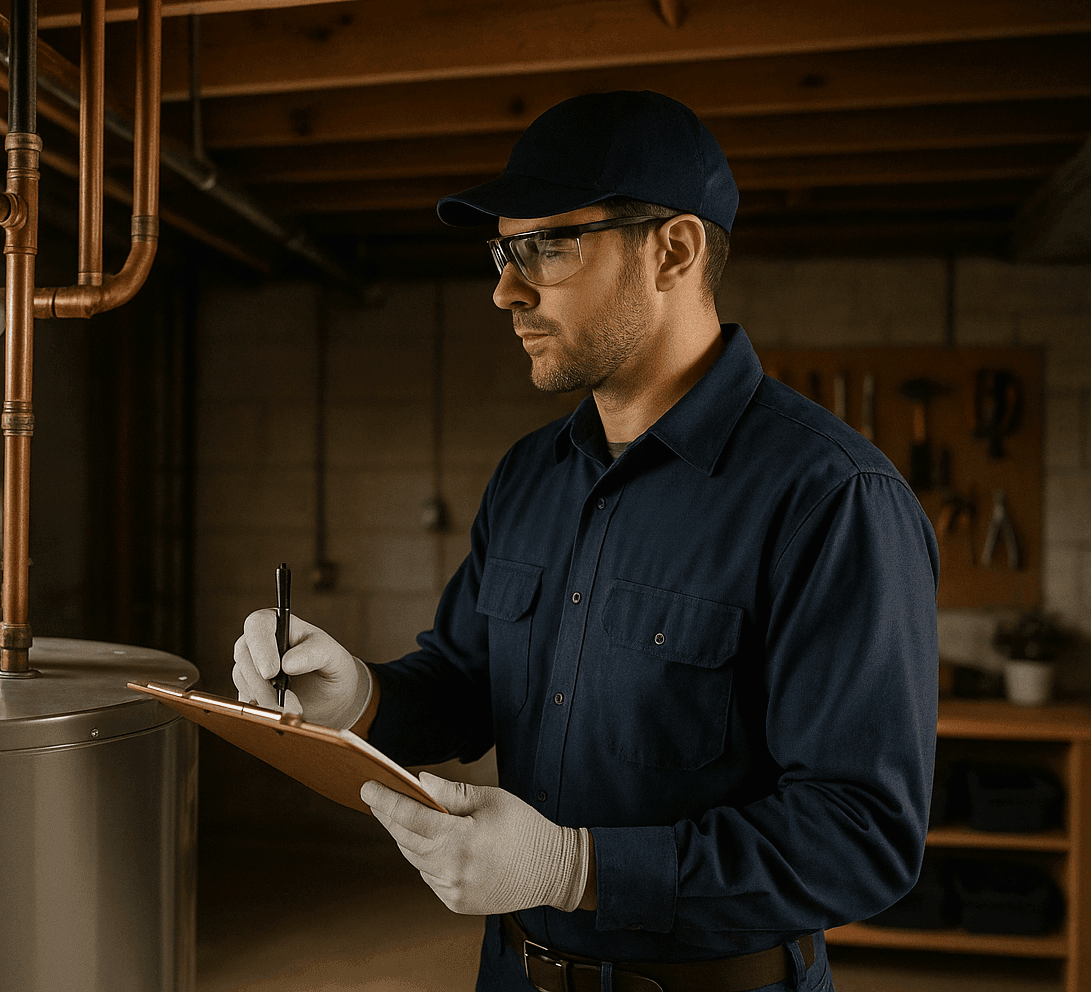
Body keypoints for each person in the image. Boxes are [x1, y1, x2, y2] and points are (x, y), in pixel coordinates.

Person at [232, 90, 938, 992]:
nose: (505, 288)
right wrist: (361, 700)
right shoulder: (531, 473)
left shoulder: (833, 498)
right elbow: (466, 681)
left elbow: (863, 839)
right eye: (502, 250)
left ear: (673, 250)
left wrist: (578, 868)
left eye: (546, 247)